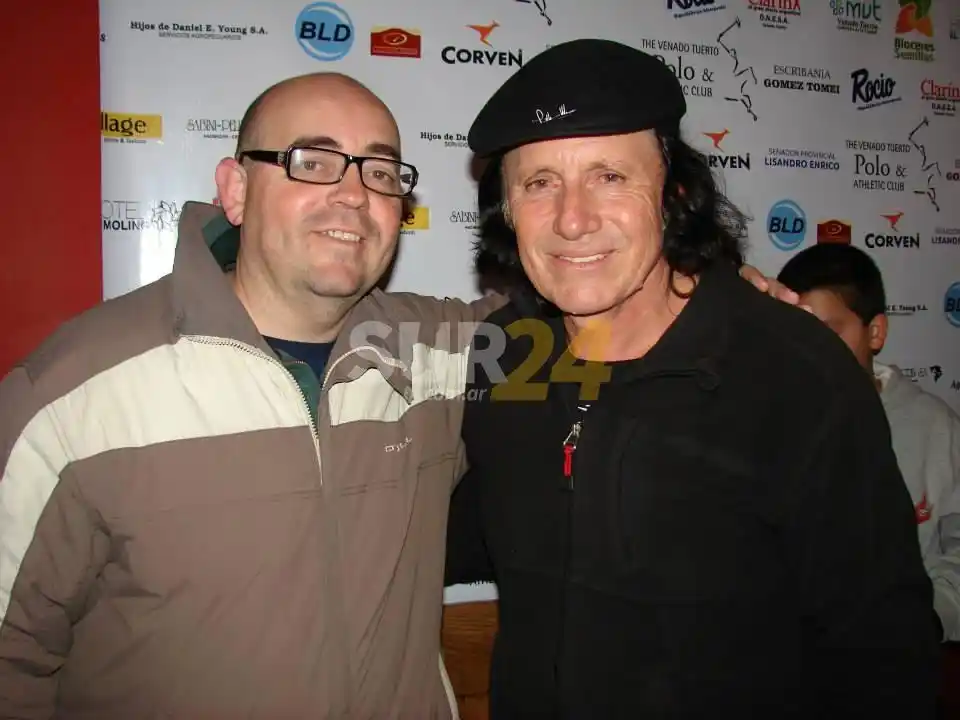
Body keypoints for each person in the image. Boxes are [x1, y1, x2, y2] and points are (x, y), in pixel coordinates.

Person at [0, 71, 792, 717]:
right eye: (312, 161)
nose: (352, 194)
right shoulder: (75, 393)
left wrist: (717, 296)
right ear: (236, 189)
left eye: (380, 172)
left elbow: (600, 311)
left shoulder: (448, 354)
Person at [444, 39, 940, 718]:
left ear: (674, 193)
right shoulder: (508, 351)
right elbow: (466, 529)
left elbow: (884, 650)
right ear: (506, 207)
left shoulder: (792, 370)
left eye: (609, 175)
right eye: (539, 183)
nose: (572, 218)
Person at [777, 242, 960, 643]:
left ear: (875, 332)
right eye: (794, 334)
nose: (806, 352)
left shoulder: (934, 427)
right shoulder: (762, 425)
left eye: (827, 333)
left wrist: (928, 619)